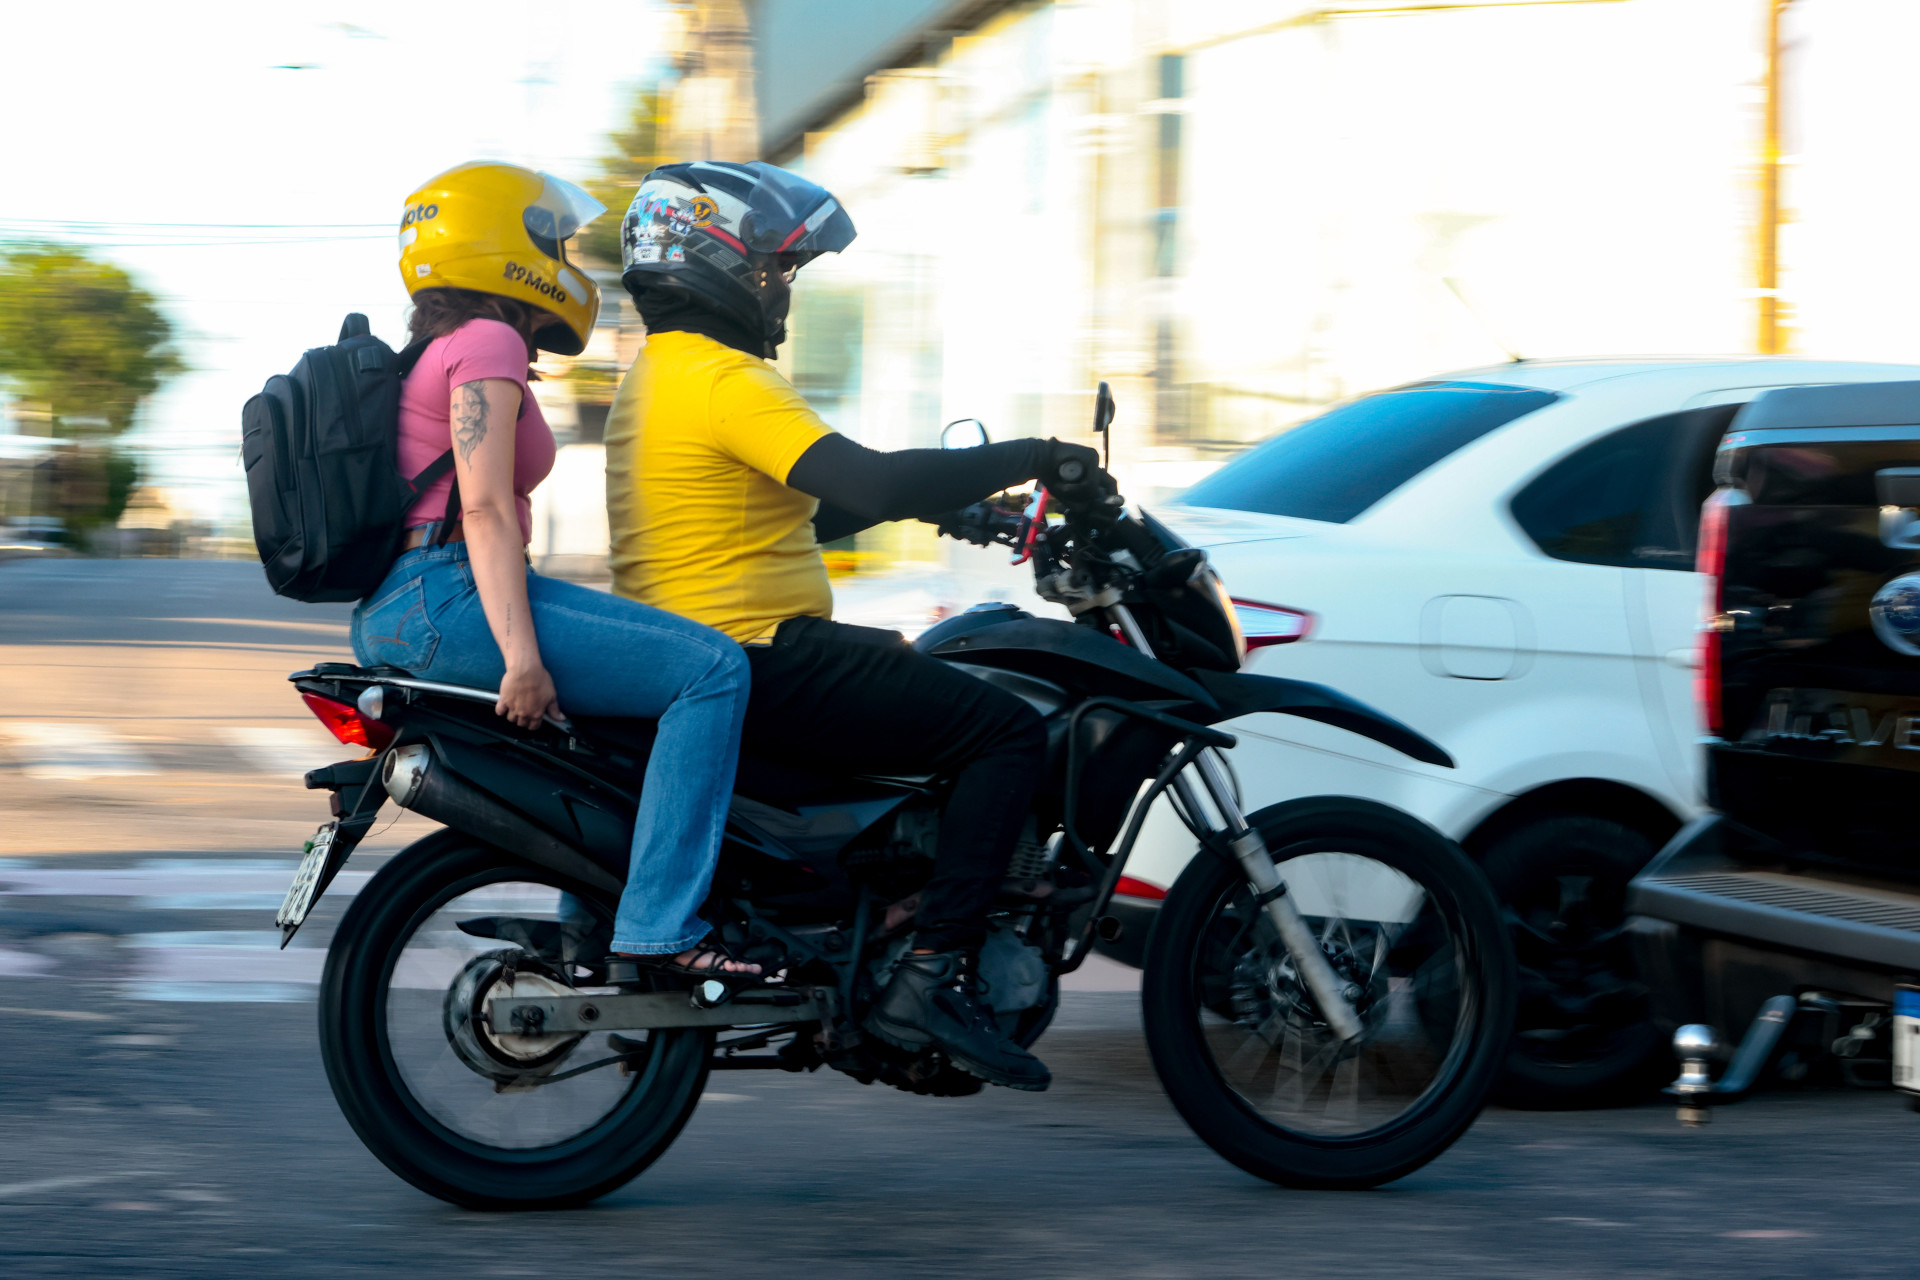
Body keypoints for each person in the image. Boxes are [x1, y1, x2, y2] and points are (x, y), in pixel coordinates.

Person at [603, 161, 1114, 1092]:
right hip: (765, 654)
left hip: (704, 653)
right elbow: (872, 481)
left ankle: (886, 929)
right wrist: (1040, 455)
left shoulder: (662, 375)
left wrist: (964, 509)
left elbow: (805, 505)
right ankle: (929, 978)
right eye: (776, 269)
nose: (781, 291)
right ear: (722, 266)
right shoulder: (726, 378)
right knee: (1004, 732)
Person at [354, 161, 757, 978]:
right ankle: (660, 930)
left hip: (405, 603)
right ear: (504, 246)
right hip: (451, 595)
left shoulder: (435, 347)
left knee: (616, 734)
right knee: (712, 671)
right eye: (555, 243)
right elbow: (483, 508)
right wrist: (522, 659)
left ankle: (595, 936)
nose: (566, 261)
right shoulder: (489, 341)